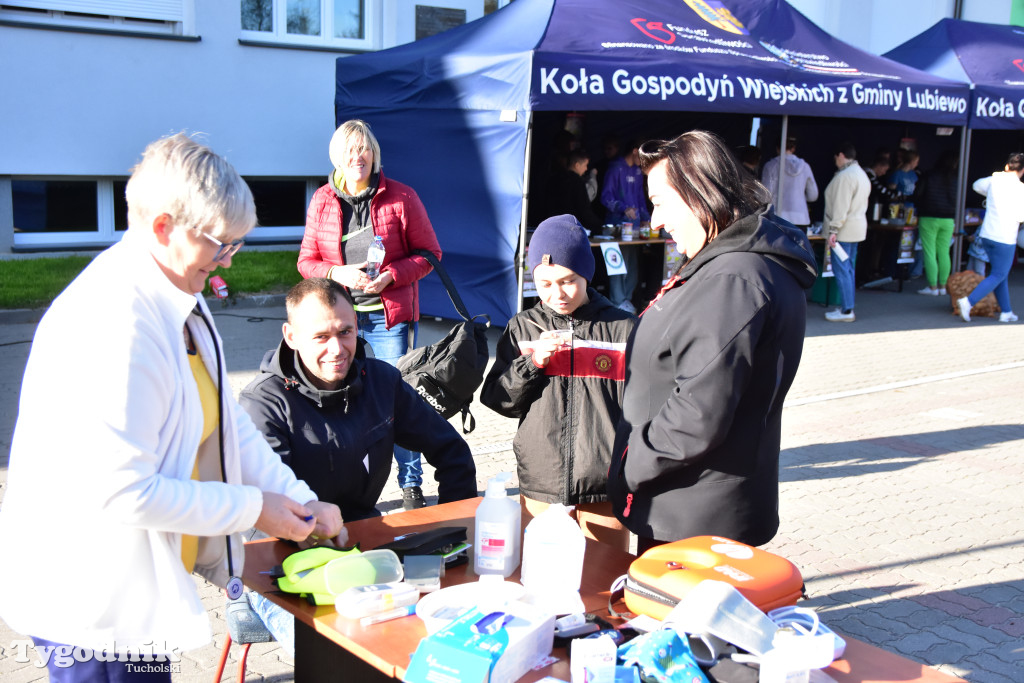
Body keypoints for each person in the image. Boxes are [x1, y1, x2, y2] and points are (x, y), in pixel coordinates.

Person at [0, 133, 344, 682]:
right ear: (163, 227)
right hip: (97, 603)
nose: (228, 258)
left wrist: (302, 502)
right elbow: (123, 491)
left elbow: (226, 425)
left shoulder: (176, 292)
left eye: (237, 243)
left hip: (138, 584)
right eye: (221, 243)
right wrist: (254, 508)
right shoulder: (117, 322)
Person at [238, 277, 478, 653]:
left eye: (346, 332)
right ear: (290, 335)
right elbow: (269, 503)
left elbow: (451, 450)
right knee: (336, 659)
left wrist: (451, 537)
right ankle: (239, 599)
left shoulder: (382, 381)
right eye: (320, 337)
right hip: (279, 561)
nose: (337, 349)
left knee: (434, 637)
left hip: (362, 543)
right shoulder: (263, 404)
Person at [606, 131, 816, 552]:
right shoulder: (726, 267)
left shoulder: (733, 280)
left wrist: (630, 463)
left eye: (660, 203)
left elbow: (697, 415)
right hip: (686, 503)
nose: (655, 222)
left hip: (693, 516)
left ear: (701, 193)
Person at [298, 119, 441, 510]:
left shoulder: (401, 197)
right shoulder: (323, 200)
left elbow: (430, 254)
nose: (357, 157)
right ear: (337, 157)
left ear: (374, 154)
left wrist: (392, 276)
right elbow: (306, 261)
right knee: (344, 401)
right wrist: (335, 272)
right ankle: (351, 486)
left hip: (387, 320)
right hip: (340, 323)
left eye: (363, 149)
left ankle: (411, 485)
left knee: (395, 403)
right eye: (349, 150)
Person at [481, 215, 636, 550]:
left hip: (603, 482)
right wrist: (532, 363)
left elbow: (643, 406)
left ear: (587, 275)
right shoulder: (522, 328)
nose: (558, 294)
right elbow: (497, 399)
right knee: (540, 573)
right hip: (541, 479)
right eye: (545, 283)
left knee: (605, 577)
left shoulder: (623, 328)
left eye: (568, 281)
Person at [956, 152, 1024, 323]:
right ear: (1022, 170)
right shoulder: (1020, 189)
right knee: (999, 274)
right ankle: (968, 302)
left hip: (987, 235)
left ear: (1007, 166)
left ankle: (1006, 311)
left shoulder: (994, 180)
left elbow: (976, 185)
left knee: (1000, 273)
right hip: (1005, 237)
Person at [600, 139, 650, 314]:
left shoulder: (637, 172)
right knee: (616, 265)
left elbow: (641, 199)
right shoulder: (615, 168)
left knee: (631, 264)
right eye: (643, 155)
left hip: (633, 228)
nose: (644, 161)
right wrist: (623, 208)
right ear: (636, 151)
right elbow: (605, 198)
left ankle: (626, 299)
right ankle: (617, 302)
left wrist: (646, 218)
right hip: (614, 227)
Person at [823, 142, 871, 323]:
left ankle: (846, 310)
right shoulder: (861, 174)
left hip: (843, 231)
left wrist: (833, 230)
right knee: (849, 269)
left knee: (842, 270)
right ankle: (847, 306)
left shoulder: (845, 177)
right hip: (857, 229)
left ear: (841, 155)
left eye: (836, 157)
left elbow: (841, 207)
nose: (835, 161)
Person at [914, 151, 959, 296]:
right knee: (944, 251)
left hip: (928, 217)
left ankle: (932, 287)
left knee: (929, 251)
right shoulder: (956, 178)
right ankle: (943, 286)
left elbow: (918, 194)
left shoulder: (929, 175)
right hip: (948, 219)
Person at [760, 136, 819, 229]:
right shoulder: (805, 167)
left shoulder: (770, 166)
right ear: (794, 148)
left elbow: (765, 196)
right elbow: (813, 196)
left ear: (777, 148)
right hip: (801, 218)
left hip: (778, 216)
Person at [546, 149, 603, 231]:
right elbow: (583, 209)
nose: (586, 169)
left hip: (553, 225)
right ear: (577, 165)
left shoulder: (553, 179)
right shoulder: (577, 182)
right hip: (572, 227)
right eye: (585, 165)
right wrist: (599, 226)